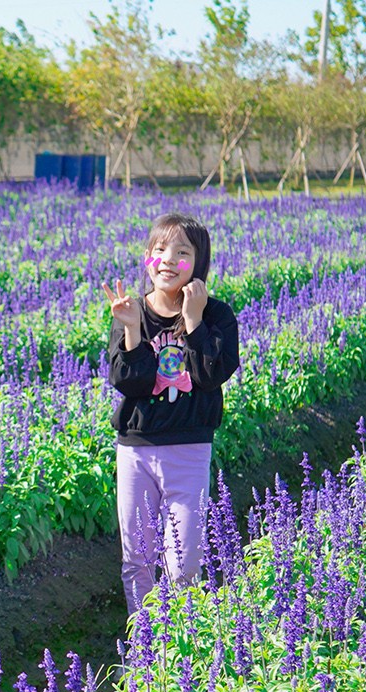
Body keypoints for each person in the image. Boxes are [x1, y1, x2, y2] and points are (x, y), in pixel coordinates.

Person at [102, 213, 239, 616]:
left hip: (189, 451)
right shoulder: (131, 310)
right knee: (138, 561)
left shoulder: (217, 315)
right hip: (136, 451)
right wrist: (130, 330)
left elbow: (211, 375)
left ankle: (177, 654)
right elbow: (129, 381)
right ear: (147, 257)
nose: (167, 260)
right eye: (160, 250)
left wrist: (194, 321)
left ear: (199, 264)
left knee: (183, 567)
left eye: (182, 252)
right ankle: (145, 657)